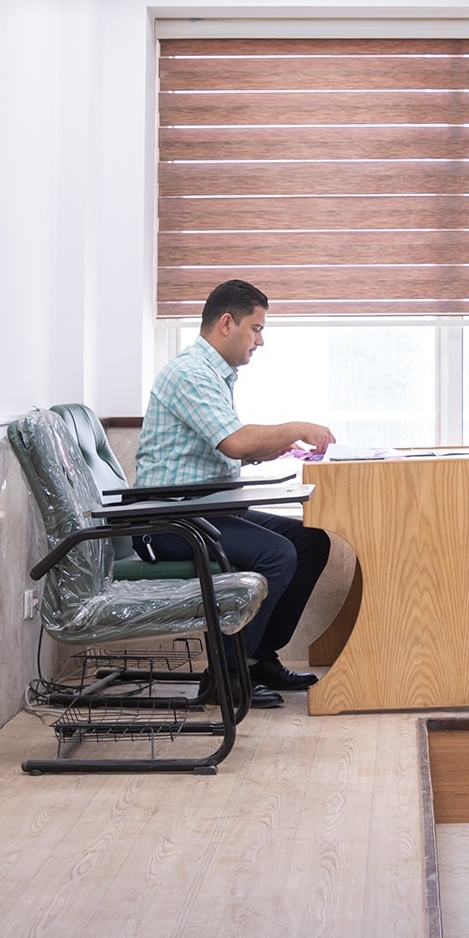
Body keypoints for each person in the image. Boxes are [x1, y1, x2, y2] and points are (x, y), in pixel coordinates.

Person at [132, 279, 336, 707]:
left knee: (310, 542)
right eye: (256, 329)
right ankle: (225, 676)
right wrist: (296, 428)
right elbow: (235, 441)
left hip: (203, 510)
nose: (260, 341)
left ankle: (258, 659)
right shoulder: (190, 373)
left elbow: (217, 451)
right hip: (169, 521)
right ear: (227, 323)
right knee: (277, 555)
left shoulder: (213, 375)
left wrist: (267, 449)